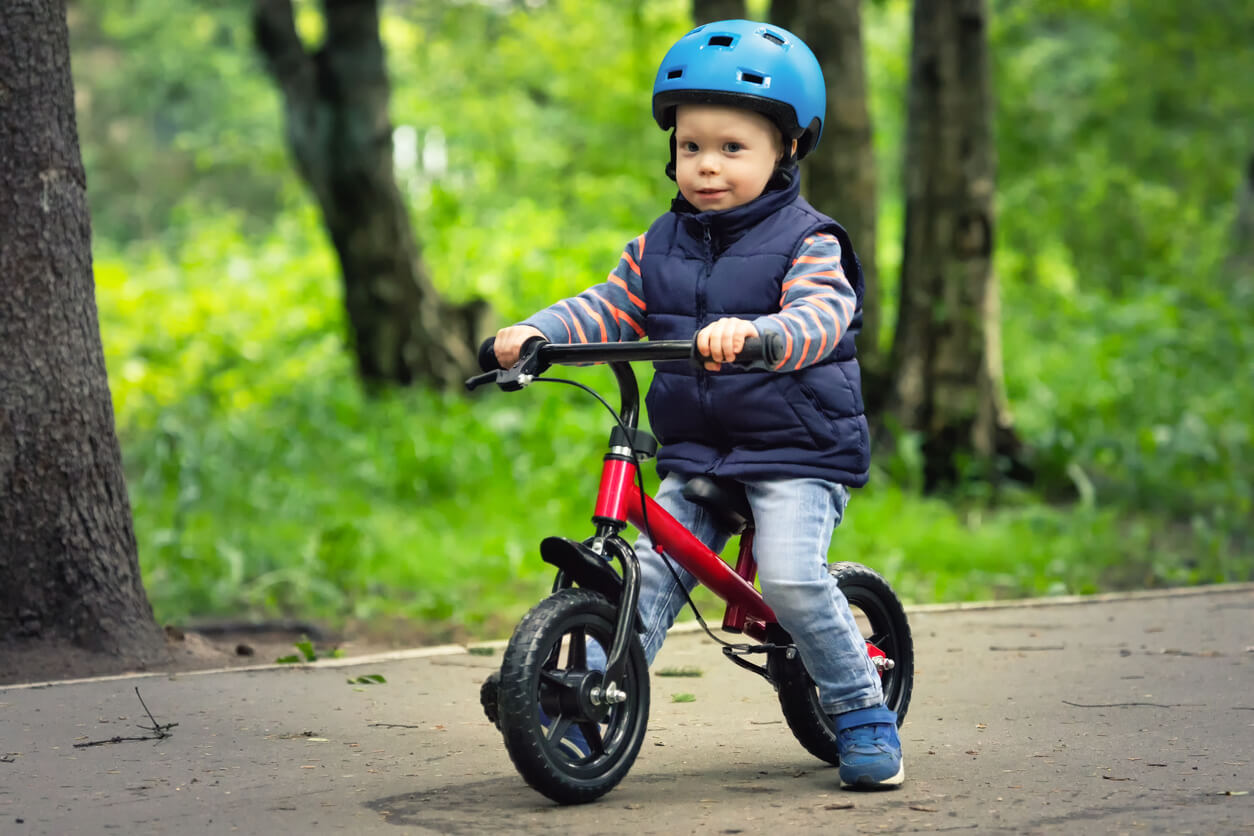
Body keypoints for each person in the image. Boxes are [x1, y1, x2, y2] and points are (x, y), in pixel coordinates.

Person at [493, 19, 902, 790]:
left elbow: (821, 318)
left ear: (786, 149)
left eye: (732, 148)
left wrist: (757, 334)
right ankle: (579, 703)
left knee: (788, 579)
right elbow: (610, 306)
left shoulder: (810, 240)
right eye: (690, 148)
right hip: (700, 451)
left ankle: (860, 709)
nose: (706, 167)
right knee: (644, 578)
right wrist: (537, 333)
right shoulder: (659, 244)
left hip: (795, 453)